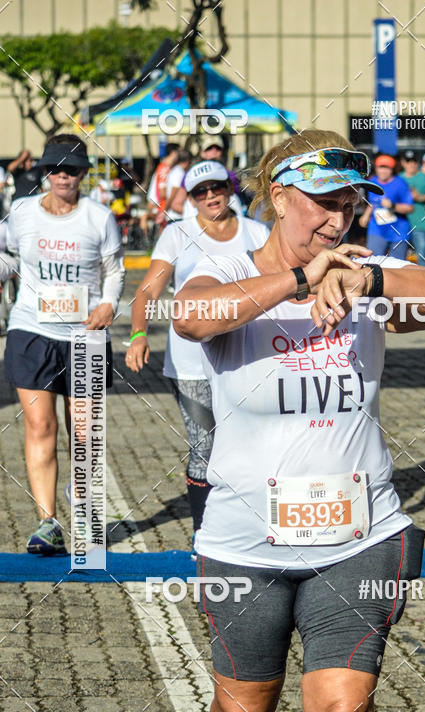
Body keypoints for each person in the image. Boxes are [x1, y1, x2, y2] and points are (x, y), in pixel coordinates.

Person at [171, 129, 425, 712]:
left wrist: (368, 278)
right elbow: (191, 316)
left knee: (340, 709)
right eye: (325, 203)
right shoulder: (231, 268)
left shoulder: (366, 274)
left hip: (361, 533)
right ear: (278, 197)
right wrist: (299, 279)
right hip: (246, 539)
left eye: (352, 205)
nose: (340, 220)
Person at [126, 160, 269, 550]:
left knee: (252, 440)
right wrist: (139, 333)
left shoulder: (257, 233)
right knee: (204, 445)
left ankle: (252, 526)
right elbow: (148, 291)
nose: (210, 197)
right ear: (189, 199)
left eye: (217, 187)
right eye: (200, 192)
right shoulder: (178, 234)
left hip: (249, 355)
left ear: (229, 188)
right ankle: (204, 532)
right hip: (190, 362)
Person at [4, 134, 124, 554]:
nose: (62, 177)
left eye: (71, 169)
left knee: (85, 432)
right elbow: (8, 255)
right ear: (43, 172)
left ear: (84, 174)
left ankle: (84, 507)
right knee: (41, 426)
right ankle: (48, 523)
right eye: (55, 168)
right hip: (32, 331)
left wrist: (109, 305)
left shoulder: (98, 217)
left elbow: (114, 270)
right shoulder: (21, 213)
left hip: (85, 335)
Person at [358, 153, 413, 259]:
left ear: (392, 169)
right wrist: (366, 215)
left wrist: (392, 205)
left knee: (397, 267)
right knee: (373, 262)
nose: (383, 171)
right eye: (380, 167)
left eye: (386, 168)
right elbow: (372, 203)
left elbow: (410, 208)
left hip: (398, 231)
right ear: (376, 168)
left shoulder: (400, 183)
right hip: (377, 229)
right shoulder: (372, 182)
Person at [400, 150, 425, 265]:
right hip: (401, 223)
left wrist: (419, 197)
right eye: (408, 161)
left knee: (422, 253)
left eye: (414, 161)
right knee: (400, 254)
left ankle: (424, 279)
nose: (411, 164)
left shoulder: (424, 177)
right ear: (403, 163)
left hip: (419, 222)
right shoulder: (399, 178)